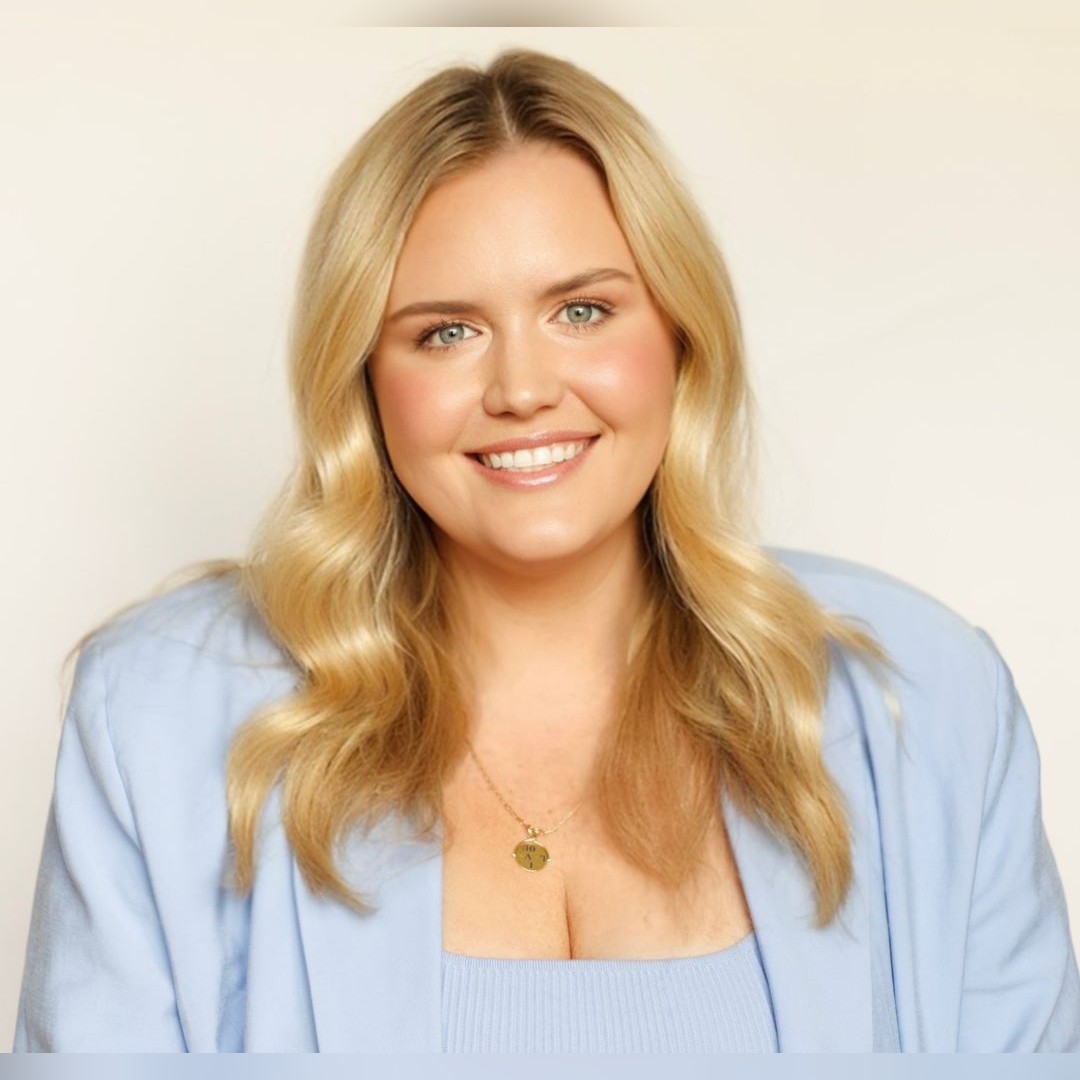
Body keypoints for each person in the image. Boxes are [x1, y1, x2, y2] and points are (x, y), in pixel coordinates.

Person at [13, 47, 1080, 1054]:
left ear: (679, 336)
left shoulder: (927, 703)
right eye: (445, 331)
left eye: (582, 309)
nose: (522, 387)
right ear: (365, 382)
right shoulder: (157, 720)